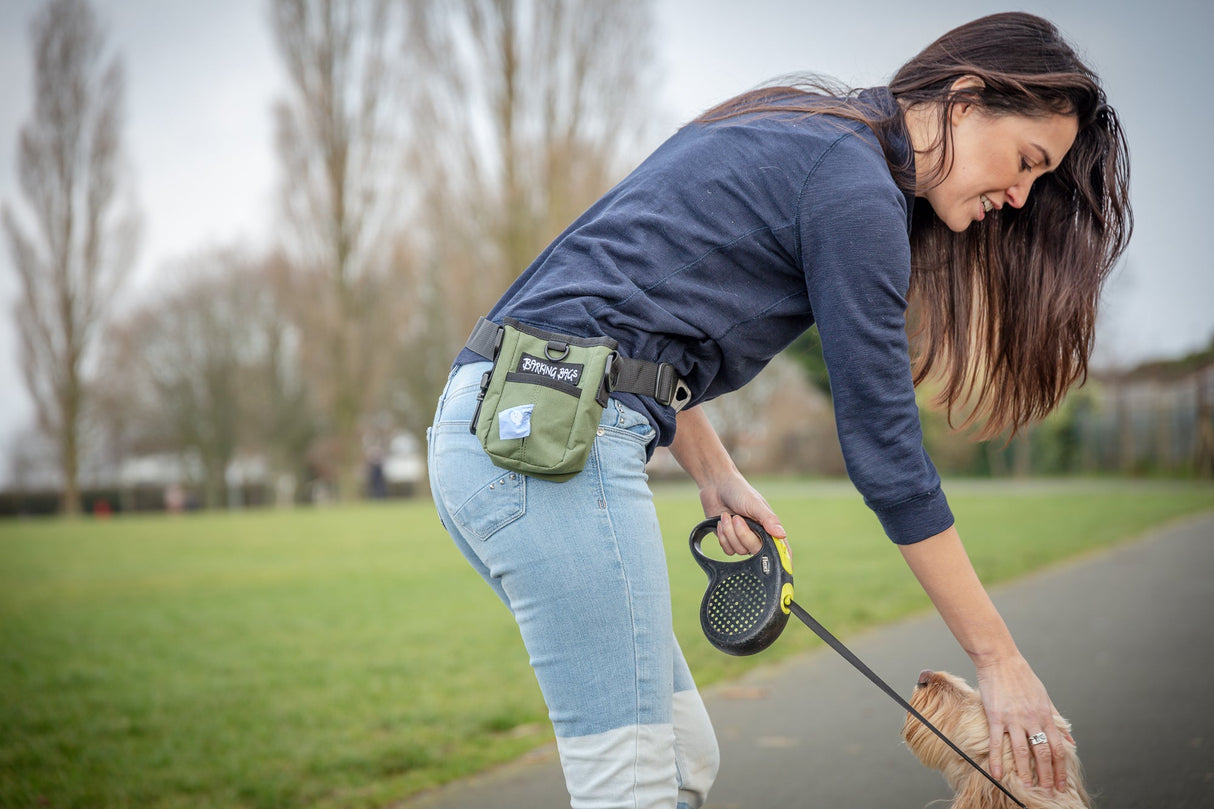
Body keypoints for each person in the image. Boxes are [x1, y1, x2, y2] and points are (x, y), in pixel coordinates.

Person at [425, 11, 1131, 809]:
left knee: (681, 761)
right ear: (965, 101)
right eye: (1027, 161)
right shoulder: (854, 183)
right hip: (549, 449)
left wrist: (716, 470)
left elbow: (626, 305)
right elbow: (886, 452)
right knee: (633, 787)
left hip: (505, 425)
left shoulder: (805, 120)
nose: (1019, 193)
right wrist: (1001, 662)